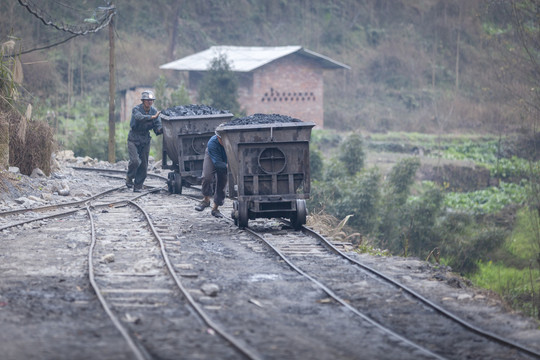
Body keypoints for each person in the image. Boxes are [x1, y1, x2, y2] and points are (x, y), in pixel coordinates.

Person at [126, 90, 163, 192]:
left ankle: (138, 186)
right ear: (143, 101)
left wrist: (161, 129)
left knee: (143, 165)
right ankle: (129, 177)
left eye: (151, 100)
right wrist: (152, 117)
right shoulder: (136, 109)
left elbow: (157, 126)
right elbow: (139, 118)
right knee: (135, 161)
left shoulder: (154, 111)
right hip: (133, 138)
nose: (149, 102)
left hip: (145, 139)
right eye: (147, 100)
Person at [195, 130, 228, 217]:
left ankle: (215, 208)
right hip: (212, 157)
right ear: (218, 138)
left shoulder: (231, 141)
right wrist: (229, 166)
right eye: (223, 139)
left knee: (222, 182)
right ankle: (206, 200)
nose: (225, 141)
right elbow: (217, 163)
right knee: (207, 177)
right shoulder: (212, 143)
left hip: (226, 160)